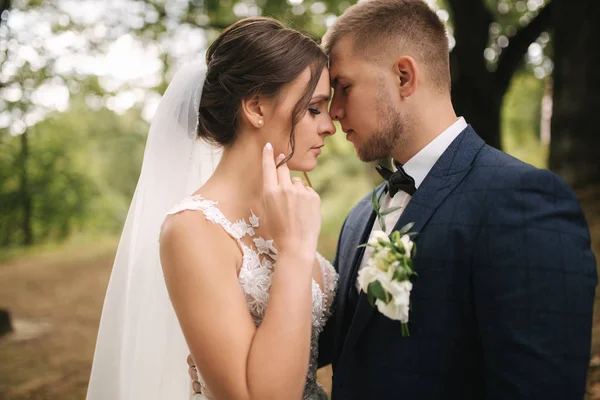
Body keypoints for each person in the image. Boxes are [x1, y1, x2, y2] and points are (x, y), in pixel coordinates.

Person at [189, 0, 596, 399]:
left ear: (403, 76)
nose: (335, 115)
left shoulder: (522, 201)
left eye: (343, 88)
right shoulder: (360, 216)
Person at [86, 17, 337, 400]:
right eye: (315, 109)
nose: (330, 127)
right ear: (255, 107)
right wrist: (296, 250)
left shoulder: (289, 207)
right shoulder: (193, 230)